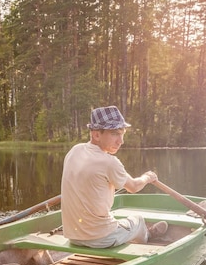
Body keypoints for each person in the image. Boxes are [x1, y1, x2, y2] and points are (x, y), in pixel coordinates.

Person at [61, 105, 167, 248]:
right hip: (101, 239)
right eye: (115, 134)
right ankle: (146, 237)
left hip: (72, 236)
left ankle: (125, 237)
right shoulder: (109, 162)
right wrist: (148, 177)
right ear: (96, 134)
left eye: (122, 134)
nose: (121, 141)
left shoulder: (75, 150)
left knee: (111, 219)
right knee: (138, 220)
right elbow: (134, 187)